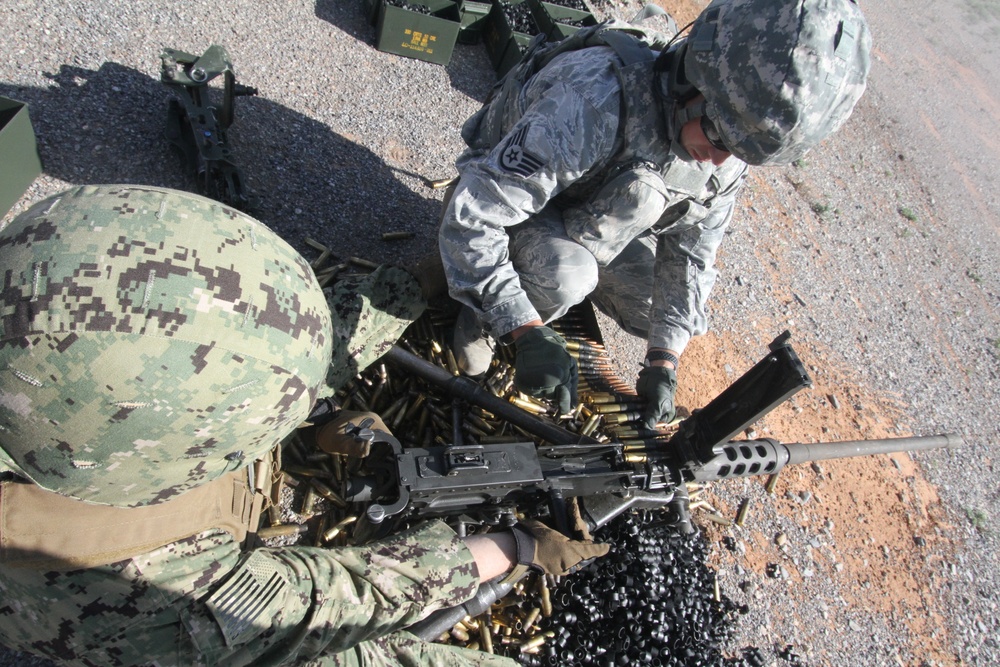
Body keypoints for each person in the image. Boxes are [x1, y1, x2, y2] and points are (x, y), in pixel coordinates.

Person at [0, 185, 607, 667]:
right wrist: (512, 548)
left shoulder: (45, 309)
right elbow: (330, 606)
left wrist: (410, 289)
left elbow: (228, 326)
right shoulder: (136, 594)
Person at [440, 0, 872, 425]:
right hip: (502, 199)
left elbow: (691, 259)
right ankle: (481, 319)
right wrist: (524, 328)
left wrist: (663, 362)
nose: (720, 161)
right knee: (568, 275)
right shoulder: (595, 99)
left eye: (738, 150)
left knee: (657, 310)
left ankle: (543, 287)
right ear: (694, 85)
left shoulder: (729, 140)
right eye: (721, 138)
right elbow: (475, 217)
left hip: (585, 216)